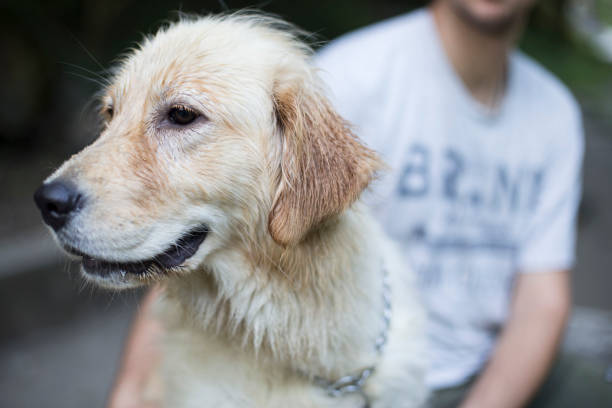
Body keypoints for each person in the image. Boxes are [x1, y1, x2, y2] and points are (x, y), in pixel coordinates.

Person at [109, 1, 610, 407]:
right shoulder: (353, 72)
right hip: (338, 365)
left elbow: (542, 299)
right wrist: (131, 393)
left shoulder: (554, 114)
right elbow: (215, 225)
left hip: (487, 366)